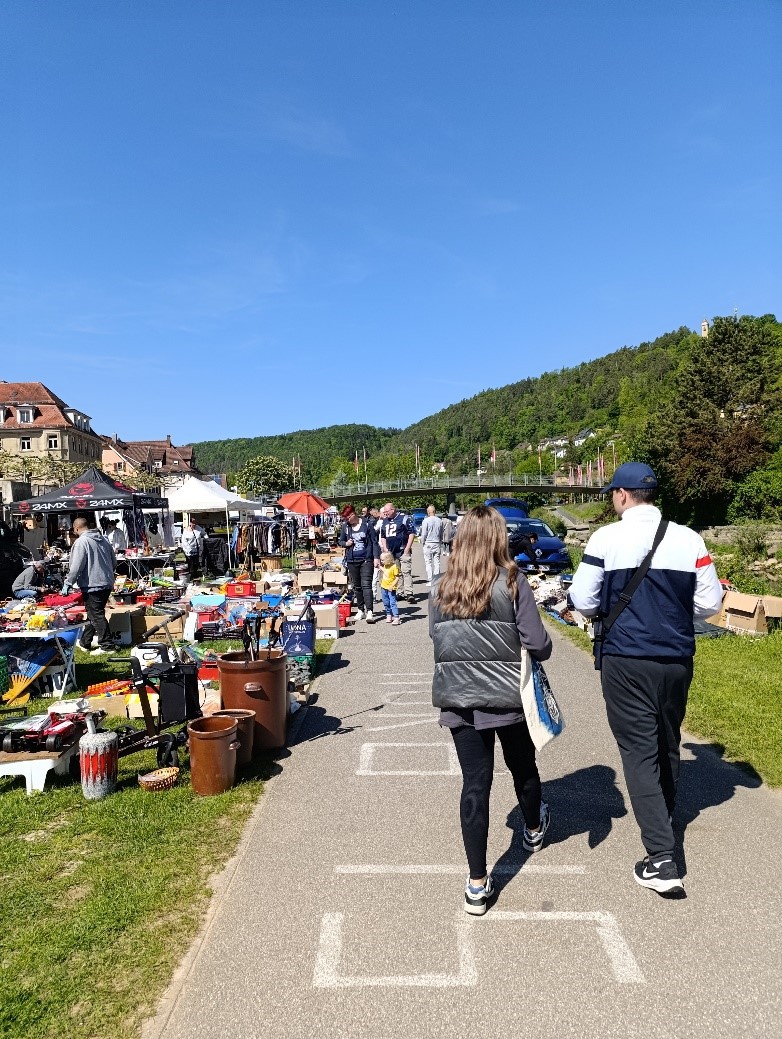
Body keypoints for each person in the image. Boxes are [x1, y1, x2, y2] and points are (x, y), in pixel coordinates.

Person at [568, 462, 722, 898]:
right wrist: (671, 619)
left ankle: (661, 857)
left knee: (638, 752)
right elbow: (710, 603)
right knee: (667, 741)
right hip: (675, 657)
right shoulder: (689, 538)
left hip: (625, 658)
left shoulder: (606, 538)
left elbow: (582, 598)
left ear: (620, 495)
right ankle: (664, 817)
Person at [429, 505, 553, 916]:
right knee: (523, 767)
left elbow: (437, 636)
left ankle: (477, 883)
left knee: (475, 785)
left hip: (459, 699)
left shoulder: (441, 586)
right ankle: (533, 829)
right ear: (499, 538)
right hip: (507, 698)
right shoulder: (513, 581)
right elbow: (538, 645)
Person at [63, 517, 117, 655]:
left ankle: (107, 646)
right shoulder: (103, 539)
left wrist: (68, 582)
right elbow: (114, 561)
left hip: (92, 584)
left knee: (96, 614)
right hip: (106, 582)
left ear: (76, 528)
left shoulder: (82, 542)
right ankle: (85, 642)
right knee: (94, 613)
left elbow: (76, 566)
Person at [338, 504, 380, 622]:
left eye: (347, 518)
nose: (346, 521)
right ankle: (360, 610)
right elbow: (340, 541)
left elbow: (374, 542)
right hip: (352, 560)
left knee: (366, 584)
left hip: (366, 559)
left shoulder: (367, 524)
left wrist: (376, 557)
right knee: (357, 586)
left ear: (353, 515)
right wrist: (346, 543)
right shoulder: (346, 527)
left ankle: (370, 611)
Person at [380, 503, 416, 602]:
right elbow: (383, 535)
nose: (385, 514)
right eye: (384, 512)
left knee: (406, 571)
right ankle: (399, 592)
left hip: (403, 549)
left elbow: (411, 532)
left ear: (393, 510)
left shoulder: (404, 518)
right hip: (391, 552)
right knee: (396, 573)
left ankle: (409, 593)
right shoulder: (384, 521)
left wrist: (407, 548)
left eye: (387, 512)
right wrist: (385, 547)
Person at [419, 505, 444, 584]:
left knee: (428, 562)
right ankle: (437, 579)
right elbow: (441, 533)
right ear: (435, 511)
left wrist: (423, 542)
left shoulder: (426, 521)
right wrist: (440, 541)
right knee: (437, 562)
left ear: (428, 512)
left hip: (428, 543)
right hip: (437, 542)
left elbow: (423, 534)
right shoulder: (440, 520)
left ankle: (431, 579)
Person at [379, 550, 401, 624]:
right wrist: (379, 567)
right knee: (386, 601)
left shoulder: (394, 567)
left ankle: (396, 617)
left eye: (382, 560)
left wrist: (392, 585)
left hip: (391, 588)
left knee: (392, 602)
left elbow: (397, 577)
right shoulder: (385, 565)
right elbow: (385, 571)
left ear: (388, 559)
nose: (381, 561)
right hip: (384, 586)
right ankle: (388, 614)